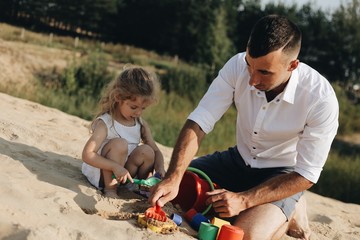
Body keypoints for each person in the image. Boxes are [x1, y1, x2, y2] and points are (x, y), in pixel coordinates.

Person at [149, 15, 339, 239]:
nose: (252, 80)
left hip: (281, 175)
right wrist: (173, 176)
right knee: (176, 190)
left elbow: (306, 174)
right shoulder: (236, 65)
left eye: (264, 72)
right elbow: (199, 122)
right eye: (250, 66)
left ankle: (291, 208)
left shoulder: (320, 99)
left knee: (244, 234)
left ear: (292, 65)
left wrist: (244, 200)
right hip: (237, 160)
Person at [82, 66, 165, 198]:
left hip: (124, 175)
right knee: (119, 144)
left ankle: (144, 187)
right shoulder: (106, 123)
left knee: (147, 150)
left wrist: (160, 168)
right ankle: (111, 190)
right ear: (118, 97)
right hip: (103, 176)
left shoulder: (140, 123)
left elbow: (155, 151)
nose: (138, 112)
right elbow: (87, 155)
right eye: (133, 107)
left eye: (143, 108)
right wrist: (114, 166)